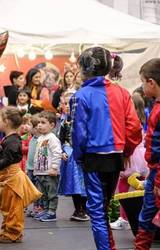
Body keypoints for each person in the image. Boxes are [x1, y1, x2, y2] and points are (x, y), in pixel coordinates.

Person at [70, 47, 142, 250]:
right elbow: (134, 127)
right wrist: (126, 151)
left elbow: (79, 133)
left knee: (97, 211)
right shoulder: (122, 92)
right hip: (116, 156)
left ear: (84, 69)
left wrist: (79, 157)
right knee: (103, 207)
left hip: (93, 158)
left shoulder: (80, 96)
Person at [111, 93, 149, 230]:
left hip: (132, 156)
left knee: (123, 187)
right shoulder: (141, 120)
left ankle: (124, 219)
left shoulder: (132, 122)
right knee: (139, 188)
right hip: (140, 156)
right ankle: (133, 217)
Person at [133, 58, 160, 250]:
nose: (142, 87)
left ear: (151, 82)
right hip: (156, 171)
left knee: (148, 215)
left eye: (143, 82)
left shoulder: (158, 111)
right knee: (148, 215)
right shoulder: (155, 108)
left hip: (158, 175)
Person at [0, 106, 31, 243]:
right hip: (7, 177)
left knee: (14, 207)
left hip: (13, 178)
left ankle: (14, 232)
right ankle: (6, 230)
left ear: (7, 121)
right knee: (6, 205)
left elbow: (9, 159)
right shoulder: (9, 139)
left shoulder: (13, 140)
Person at [58, 91, 88, 222]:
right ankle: (78, 209)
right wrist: (62, 151)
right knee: (75, 184)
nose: (68, 106)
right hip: (71, 157)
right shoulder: (65, 122)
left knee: (84, 184)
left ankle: (85, 209)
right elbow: (61, 139)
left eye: (71, 103)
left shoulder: (84, 120)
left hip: (84, 155)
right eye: (65, 103)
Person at [33, 111, 62, 222]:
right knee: (43, 194)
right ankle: (46, 209)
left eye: (43, 122)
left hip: (50, 172)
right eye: (38, 122)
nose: (39, 125)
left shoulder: (52, 138)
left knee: (51, 193)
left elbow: (57, 153)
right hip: (40, 172)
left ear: (52, 125)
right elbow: (38, 154)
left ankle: (52, 212)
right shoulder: (40, 138)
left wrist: (54, 167)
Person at [25, 114, 44, 217]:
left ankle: (39, 207)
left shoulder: (40, 139)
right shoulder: (32, 139)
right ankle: (35, 206)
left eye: (29, 125)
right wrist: (27, 168)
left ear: (36, 128)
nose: (27, 127)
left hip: (37, 169)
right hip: (30, 168)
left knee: (38, 189)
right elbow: (30, 154)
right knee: (32, 190)